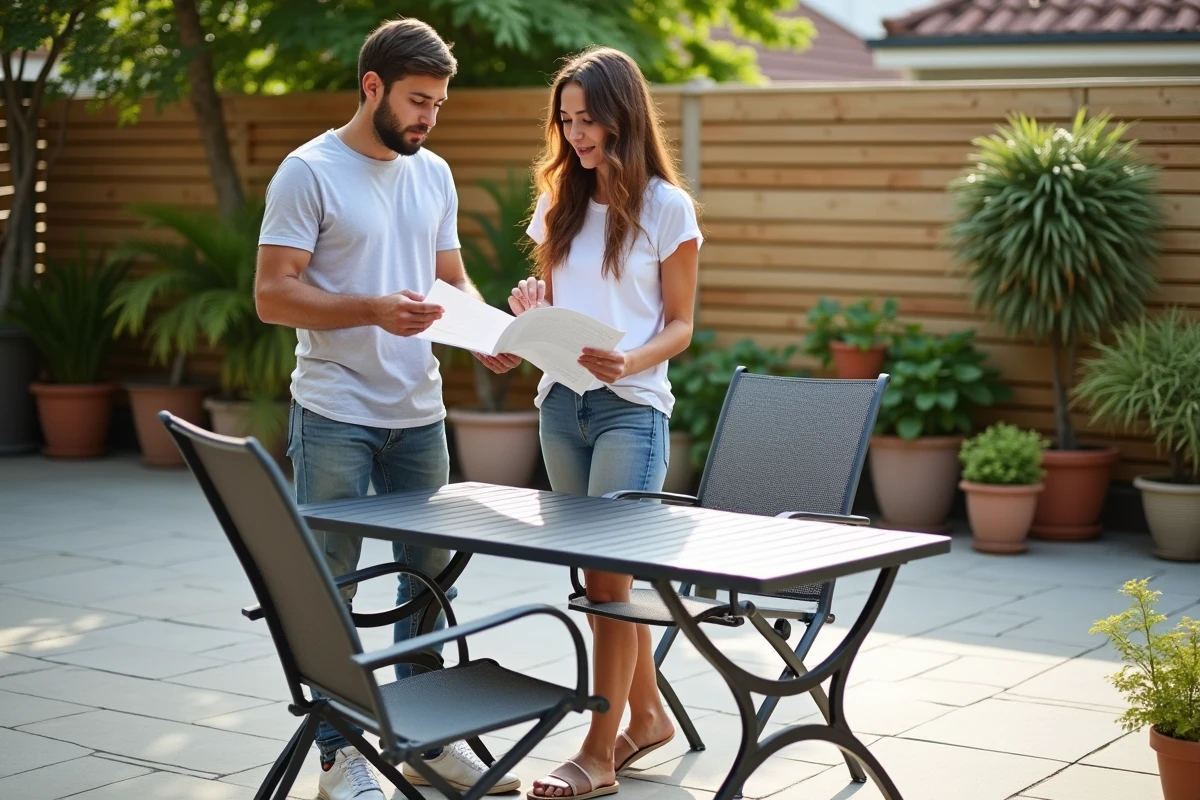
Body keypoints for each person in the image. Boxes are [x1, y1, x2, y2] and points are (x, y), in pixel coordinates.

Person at [254, 17, 521, 800]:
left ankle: (425, 740)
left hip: (420, 412)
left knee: (428, 583)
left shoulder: (432, 172)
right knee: (331, 584)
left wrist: (483, 333)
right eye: (416, 101)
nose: (428, 118)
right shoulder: (308, 171)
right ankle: (339, 754)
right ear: (371, 87)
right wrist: (371, 308)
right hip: (336, 409)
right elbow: (273, 295)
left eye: (437, 103)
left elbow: (450, 280)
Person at [499, 46, 702, 800]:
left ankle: (597, 751)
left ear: (623, 116)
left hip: (631, 410)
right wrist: (527, 318)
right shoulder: (559, 200)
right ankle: (646, 715)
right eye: (566, 120)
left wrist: (635, 359)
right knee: (599, 578)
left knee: (611, 584)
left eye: (588, 120)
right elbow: (559, 306)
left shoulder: (666, 208)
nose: (576, 135)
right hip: (561, 406)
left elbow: (680, 325)